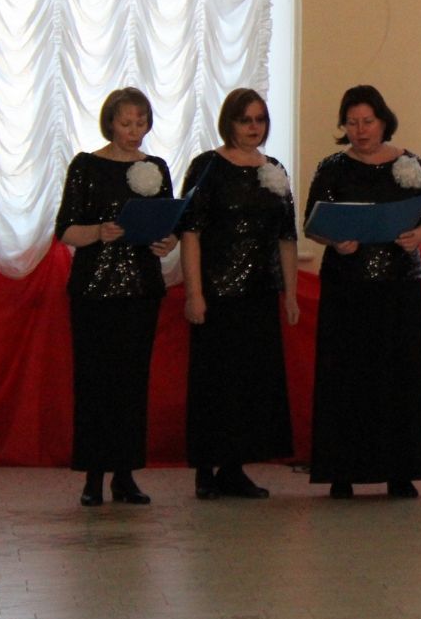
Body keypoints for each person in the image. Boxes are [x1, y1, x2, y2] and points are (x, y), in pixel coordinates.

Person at [305, 85, 421, 499]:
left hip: (399, 286)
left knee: (398, 378)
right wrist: (334, 240)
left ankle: (400, 472)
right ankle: (342, 471)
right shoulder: (332, 167)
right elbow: (313, 223)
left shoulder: (411, 164)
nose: (361, 130)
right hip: (347, 287)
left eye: (368, 121)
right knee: (346, 378)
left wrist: (418, 234)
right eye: (352, 123)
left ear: (384, 121)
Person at [55, 88, 178, 507]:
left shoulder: (155, 167)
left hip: (141, 289)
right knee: (95, 384)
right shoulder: (86, 166)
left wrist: (166, 242)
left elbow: (166, 223)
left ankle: (125, 475)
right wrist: (98, 232)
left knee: (131, 384)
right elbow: (66, 229)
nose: (134, 131)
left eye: (141, 123)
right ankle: (93, 478)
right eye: (126, 123)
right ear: (110, 123)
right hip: (94, 291)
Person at [179, 89, 299, 500]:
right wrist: (194, 293)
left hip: (260, 293)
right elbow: (190, 233)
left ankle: (234, 468)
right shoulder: (207, 166)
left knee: (251, 384)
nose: (253, 127)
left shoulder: (275, 169)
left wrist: (290, 294)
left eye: (259, 119)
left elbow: (286, 237)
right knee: (214, 383)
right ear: (229, 123)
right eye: (245, 120)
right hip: (216, 293)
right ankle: (205, 469)